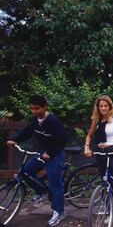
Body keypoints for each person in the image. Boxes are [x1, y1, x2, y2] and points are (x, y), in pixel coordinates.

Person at [6, 95, 68, 226]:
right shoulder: (35, 120)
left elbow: (63, 140)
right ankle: (43, 191)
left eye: (37, 109)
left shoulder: (53, 121)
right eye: (32, 109)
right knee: (25, 171)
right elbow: (27, 131)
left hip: (55, 154)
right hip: (42, 153)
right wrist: (15, 140)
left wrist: (50, 153)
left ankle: (59, 212)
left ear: (44, 107)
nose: (34, 111)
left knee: (55, 183)